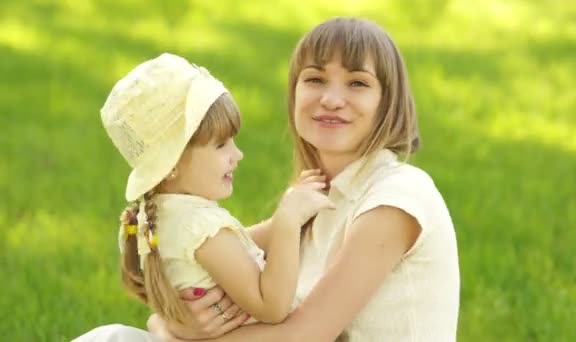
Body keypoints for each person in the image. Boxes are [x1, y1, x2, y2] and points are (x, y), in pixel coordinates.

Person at [148, 17, 460, 341]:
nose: (331, 99)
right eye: (315, 79)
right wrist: (174, 323)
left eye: (358, 83)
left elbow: (307, 335)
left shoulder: (397, 198)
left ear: (387, 102)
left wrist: (171, 337)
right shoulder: (314, 198)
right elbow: (198, 254)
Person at [73, 53, 335, 341]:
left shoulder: (152, 217)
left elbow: (235, 246)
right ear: (172, 163)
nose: (238, 155)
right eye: (221, 144)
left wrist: (284, 218)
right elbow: (272, 307)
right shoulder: (201, 227)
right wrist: (287, 223)